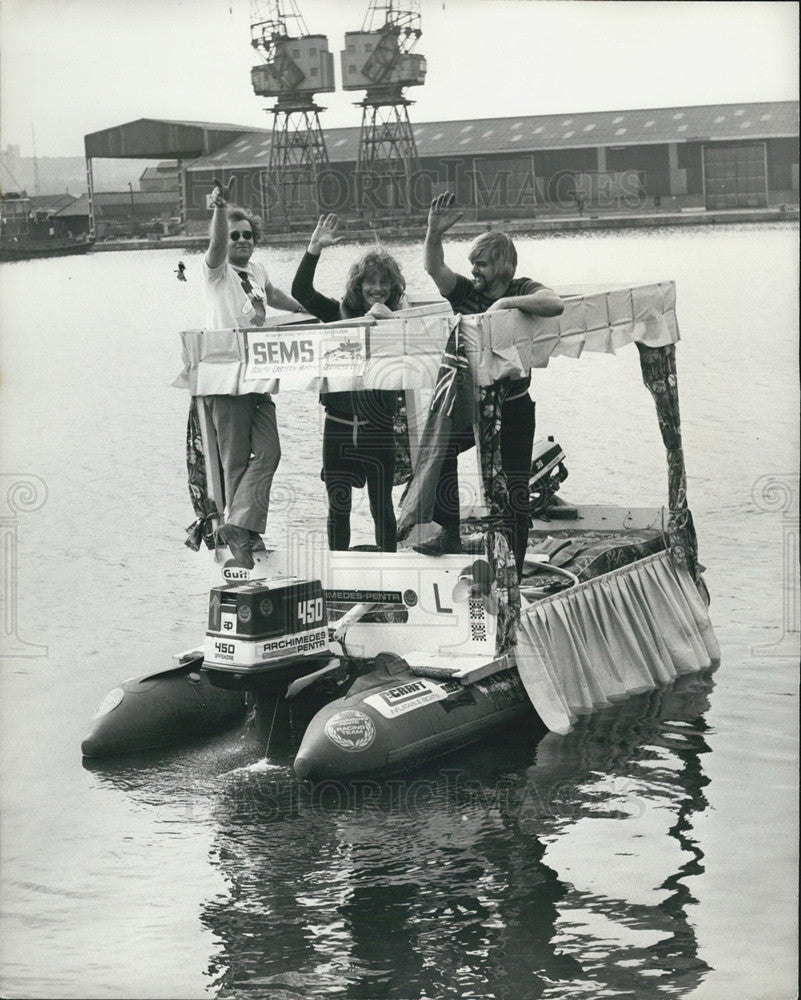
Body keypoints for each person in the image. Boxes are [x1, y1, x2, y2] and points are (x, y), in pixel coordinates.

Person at [416, 191, 564, 576]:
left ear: (501, 265)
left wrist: (505, 307)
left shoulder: (521, 289)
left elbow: (554, 303)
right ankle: (449, 530)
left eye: (480, 264)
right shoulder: (466, 292)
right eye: (473, 265)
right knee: (441, 450)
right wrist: (433, 233)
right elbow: (435, 269)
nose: (475, 271)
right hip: (470, 404)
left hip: (513, 405)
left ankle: (511, 565)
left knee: (514, 488)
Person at [291, 213, 406, 552]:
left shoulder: (400, 320)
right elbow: (301, 291)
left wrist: (393, 322)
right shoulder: (337, 313)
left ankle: (390, 575)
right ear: (358, 285)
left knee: (381, 508)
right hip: (338, 427)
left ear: (394, 288)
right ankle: (338, 574)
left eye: (385, 283)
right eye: (370, 282)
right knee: (337, 509)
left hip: (379, 428)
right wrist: (313, 250)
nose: (378, 289)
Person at [202, 181, 302, 567]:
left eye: (247, 235)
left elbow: (273, 294)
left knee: (270, 451)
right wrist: (218, 211)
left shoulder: (256, 268)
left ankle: (238, 525)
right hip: (224, 375)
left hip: (258, 374)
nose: (241, 240)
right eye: (234, 235)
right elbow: (214, 246)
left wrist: (305, 311)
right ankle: (241, 538)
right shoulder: (217, 271)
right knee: (235, 459)